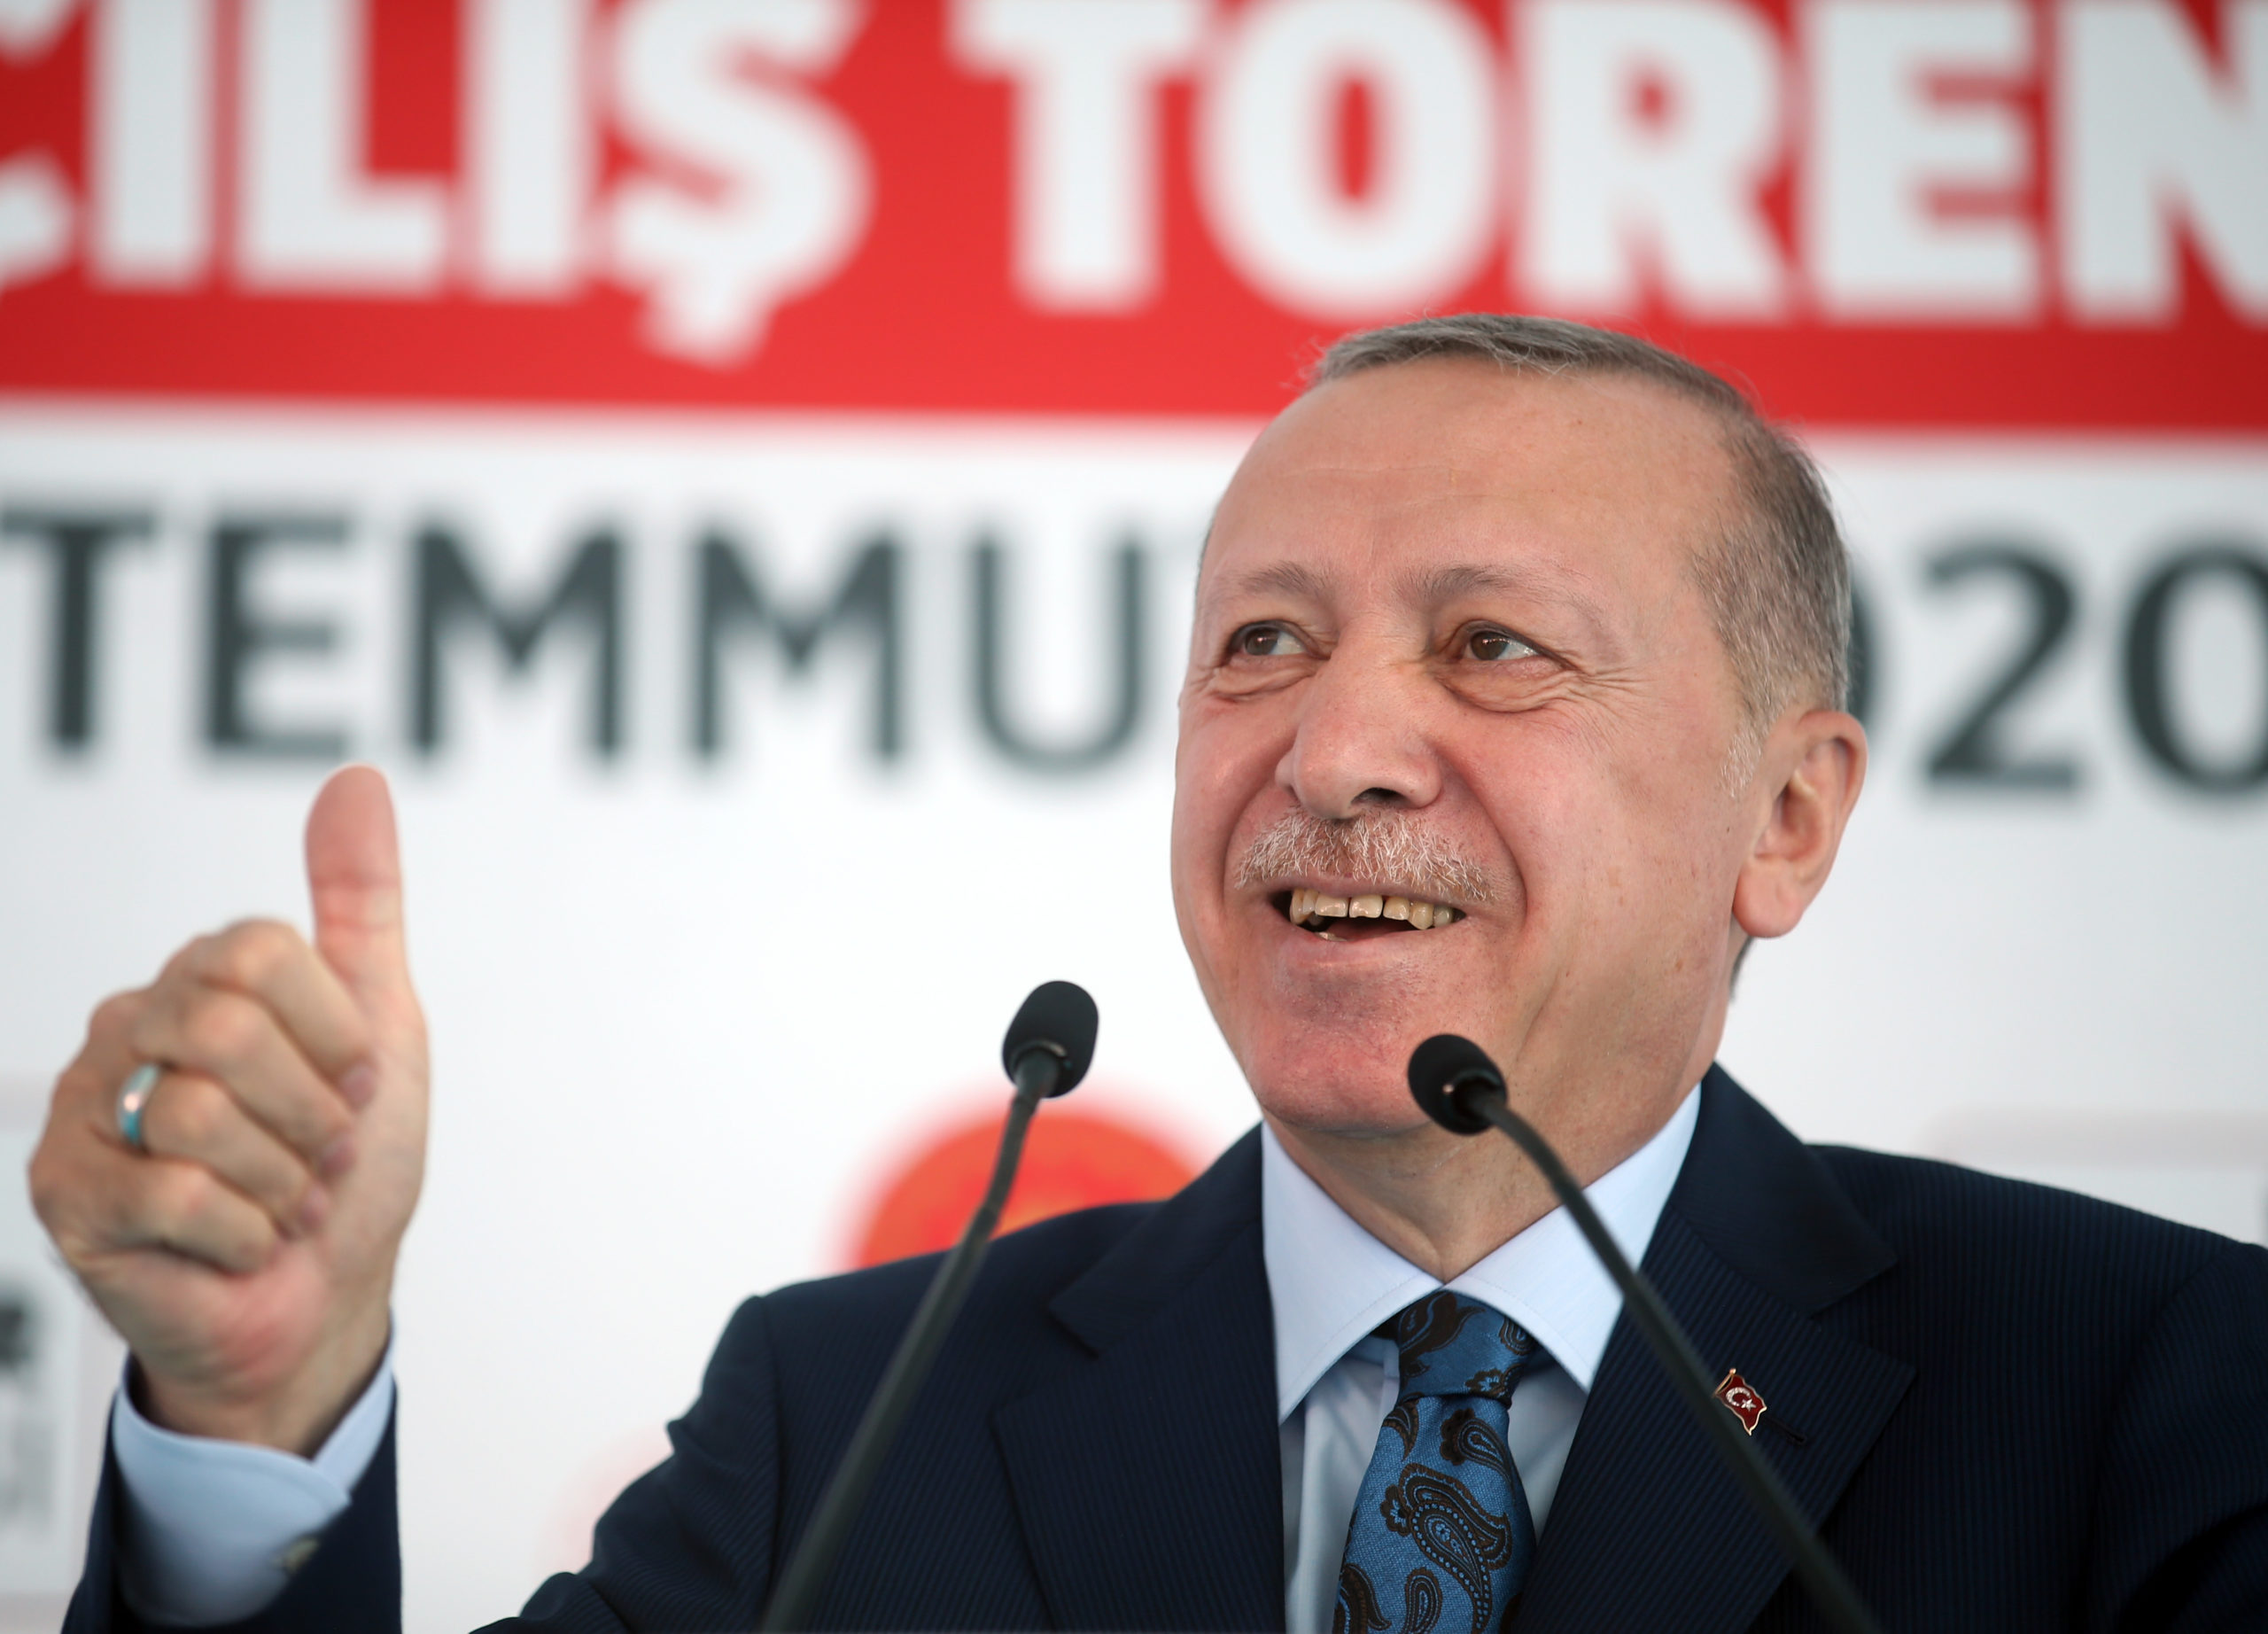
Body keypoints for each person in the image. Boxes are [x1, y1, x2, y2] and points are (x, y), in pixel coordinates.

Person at [32, 315, 2268, 1634]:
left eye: (1488, 647)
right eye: (1259, 645)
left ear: (1783, 818)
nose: (1330, 748)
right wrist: (254, 1422)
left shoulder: (2149, 1395)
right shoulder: (844, 1420)